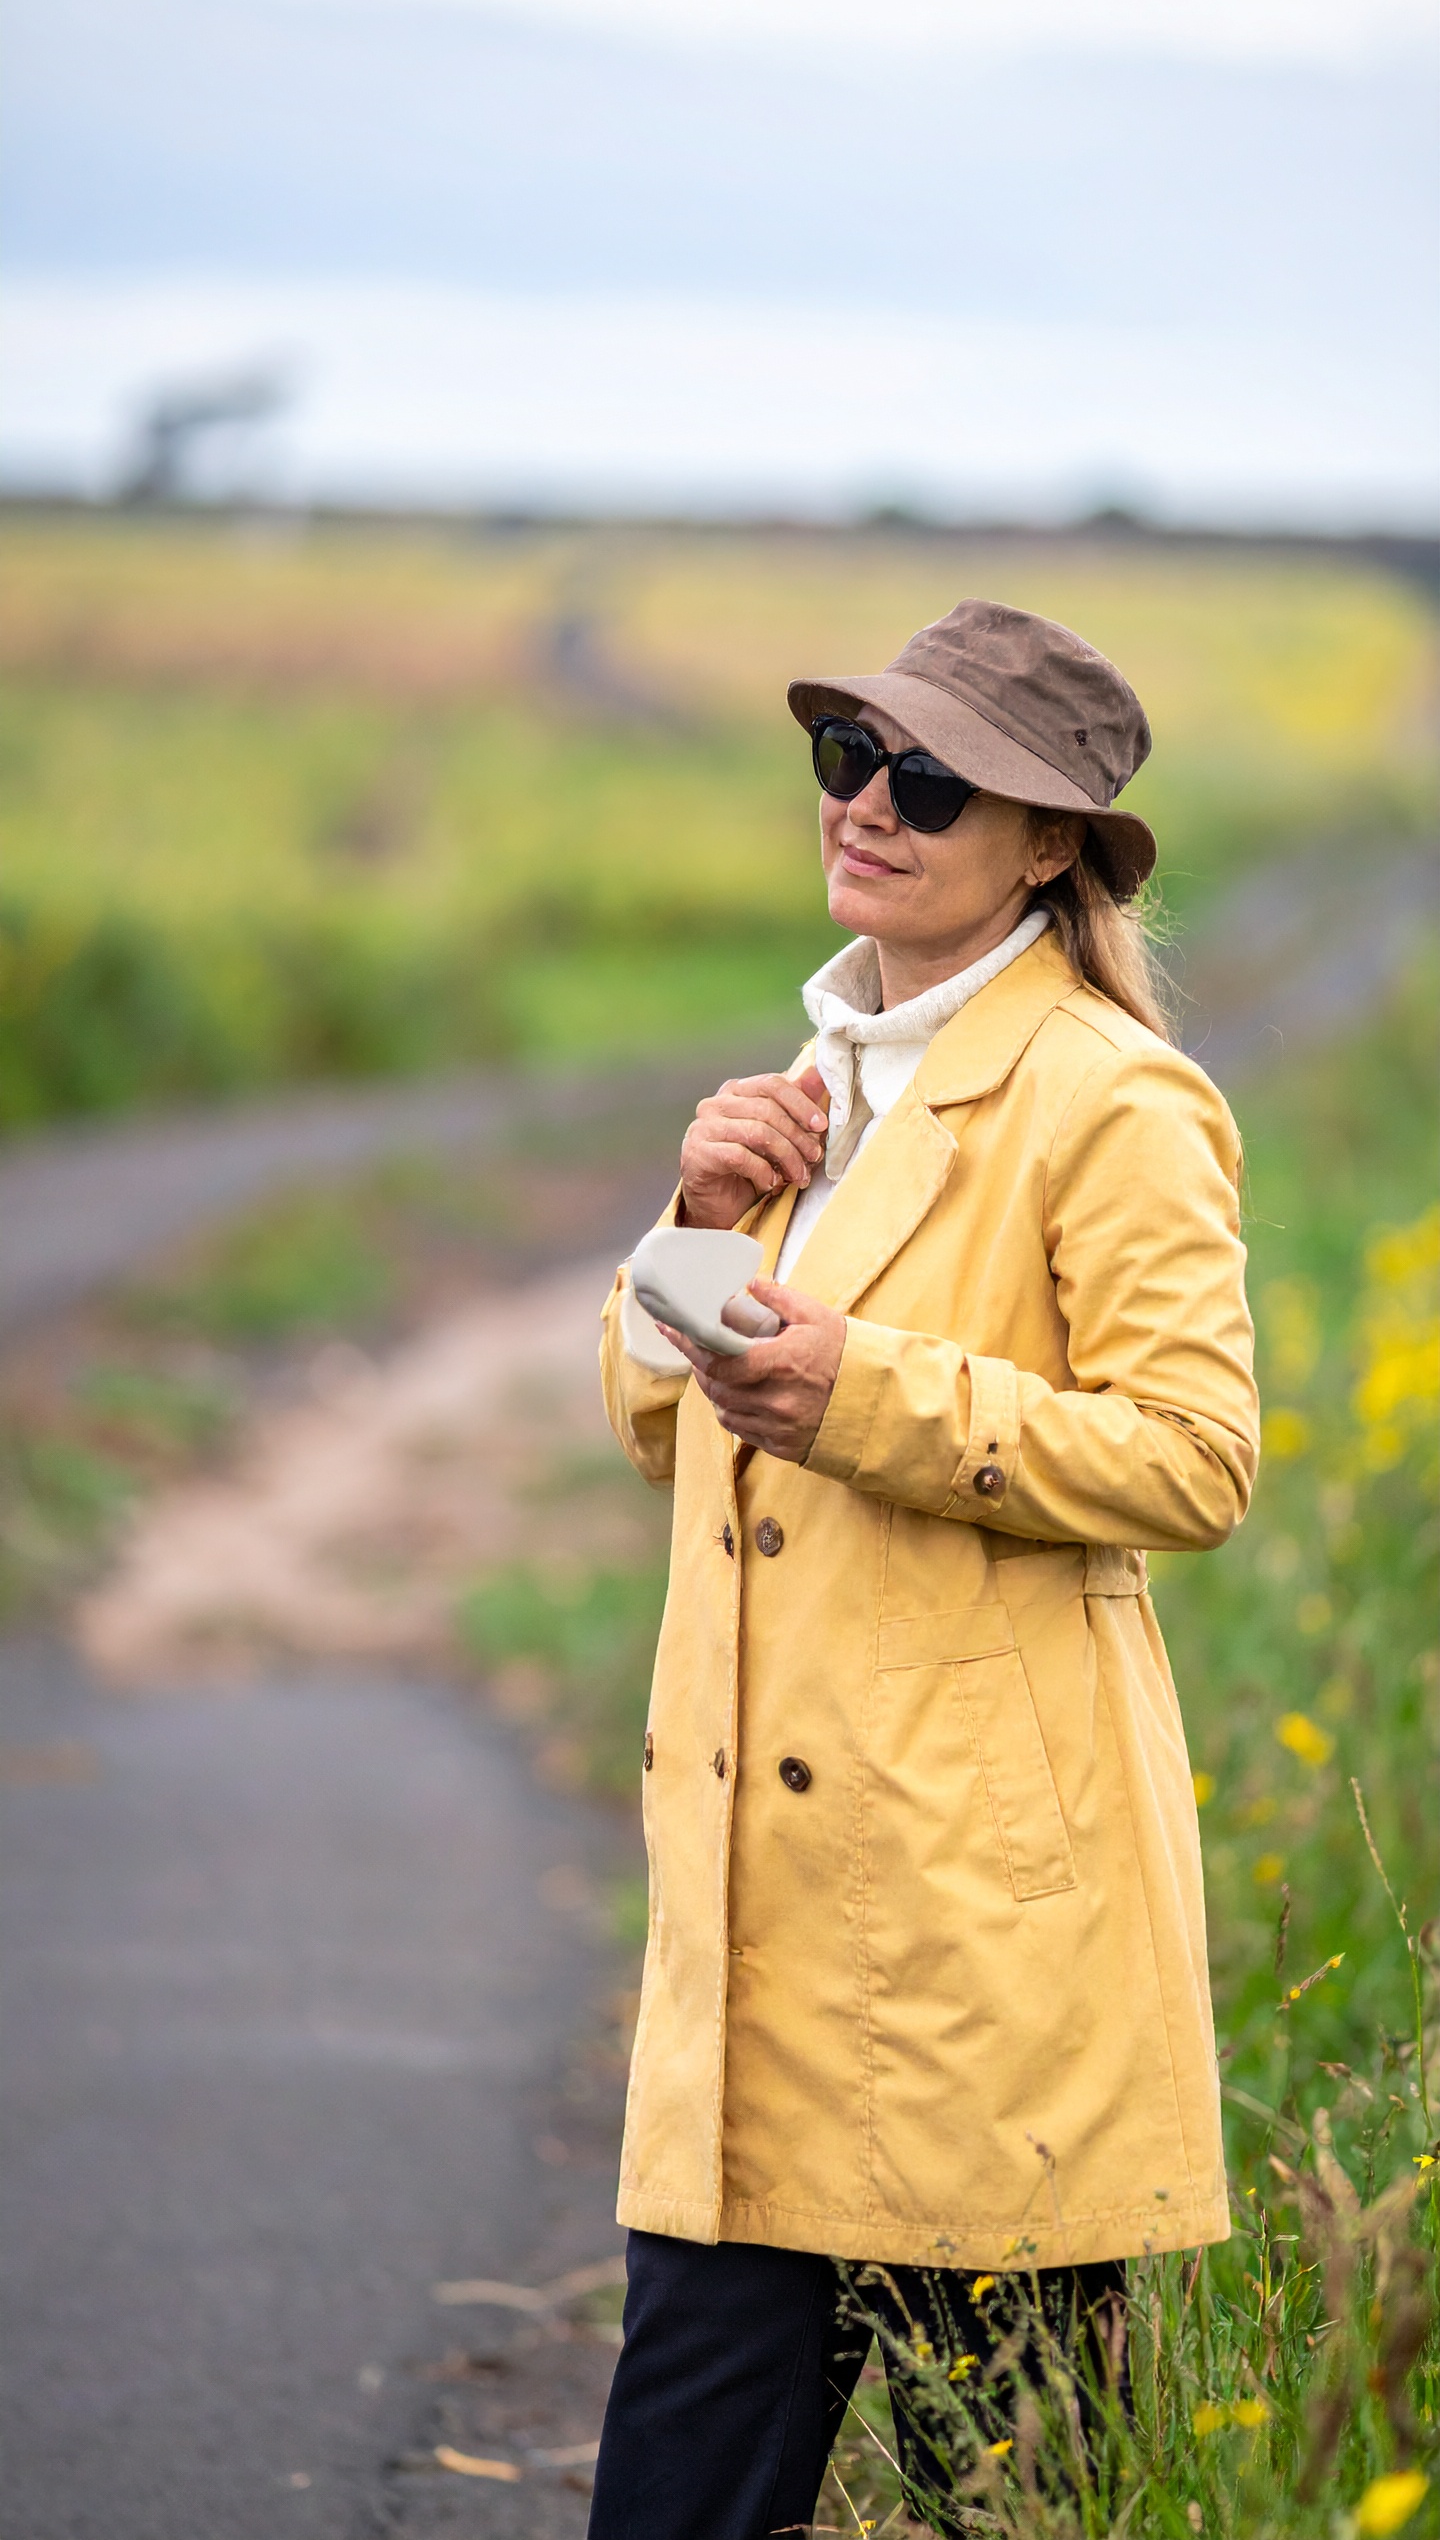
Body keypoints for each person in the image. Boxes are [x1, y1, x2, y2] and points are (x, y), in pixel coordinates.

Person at [588, 599, 1259, 2536]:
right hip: (753, 1968)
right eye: (847, 758)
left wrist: (865, 1387)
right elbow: (665, 1425)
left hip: (986, 1975)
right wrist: (691, 1228)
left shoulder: (1113, 1098)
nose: (869, 803)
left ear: (1047, 840)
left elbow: (1198, 1452)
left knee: (1009, 2509)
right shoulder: (810, 1090)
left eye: (932, 779)